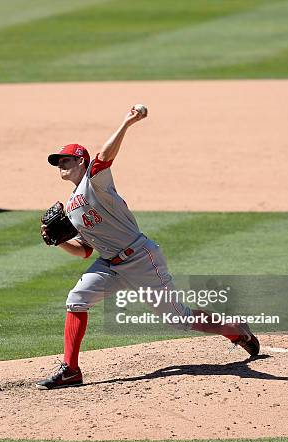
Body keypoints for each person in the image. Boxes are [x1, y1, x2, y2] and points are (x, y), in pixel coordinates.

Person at [36, 106, 260, 390]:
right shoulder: (71, 207)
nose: (60, 164)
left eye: (65, 159)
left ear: (81, 161)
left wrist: (127, 122)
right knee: (77, 299)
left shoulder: (95, 182)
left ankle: (235, 330)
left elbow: (105, 156)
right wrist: (59, 242)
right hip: (110, 265)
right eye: (57, 161)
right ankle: (71, 369)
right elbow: (84, 251)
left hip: (141, 258)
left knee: (179, 319)